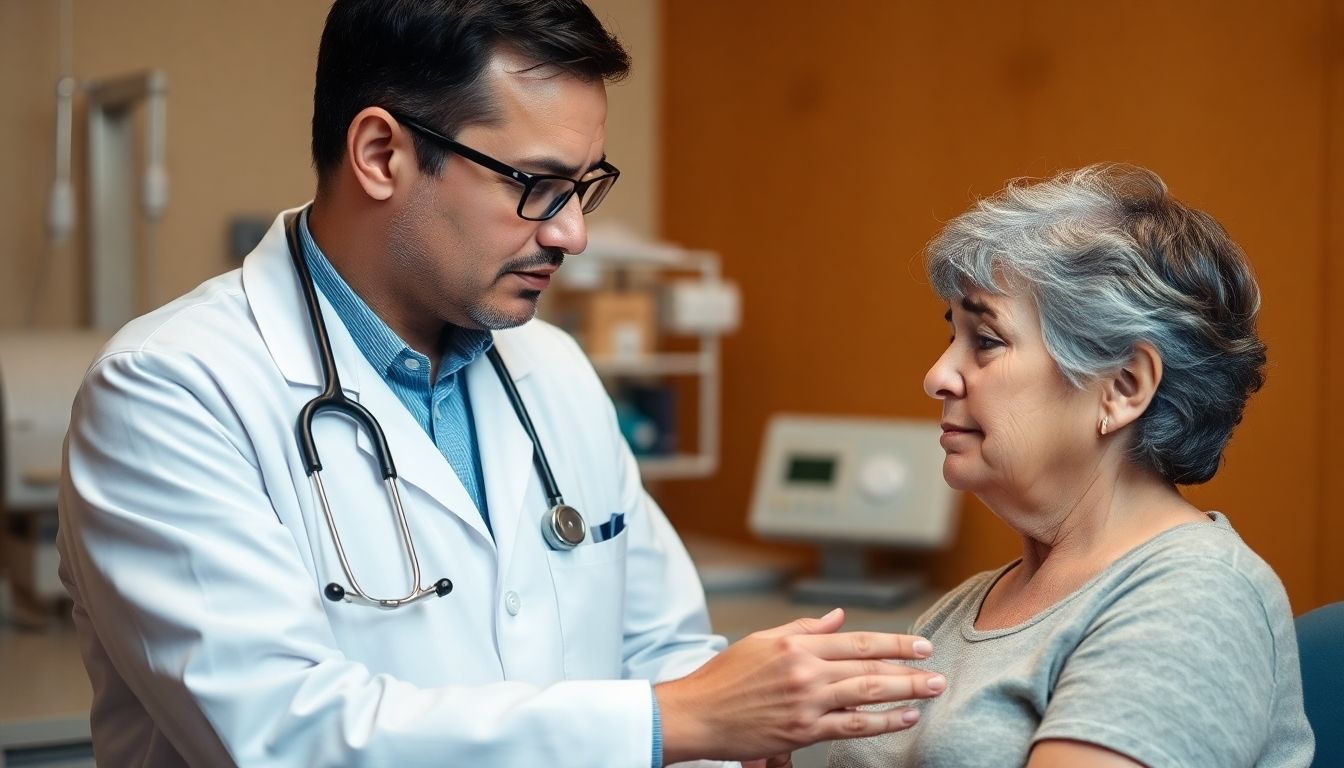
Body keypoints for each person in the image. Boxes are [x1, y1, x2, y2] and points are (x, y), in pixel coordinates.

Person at [56, 1, 946, 766]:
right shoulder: (170, 391)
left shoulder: (548, 368)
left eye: (583, 189)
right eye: (537, 187)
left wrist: (744, 715)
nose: (571, 236)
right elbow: (283, 736)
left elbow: (665, 651)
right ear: (380, 154)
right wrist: (672, 719)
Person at [830, 164, 1314, 768]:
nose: (936, 375)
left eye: (986, 340)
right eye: (952, 335)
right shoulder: (964, 608)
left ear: (1123, 387)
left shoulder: (1195, 597)